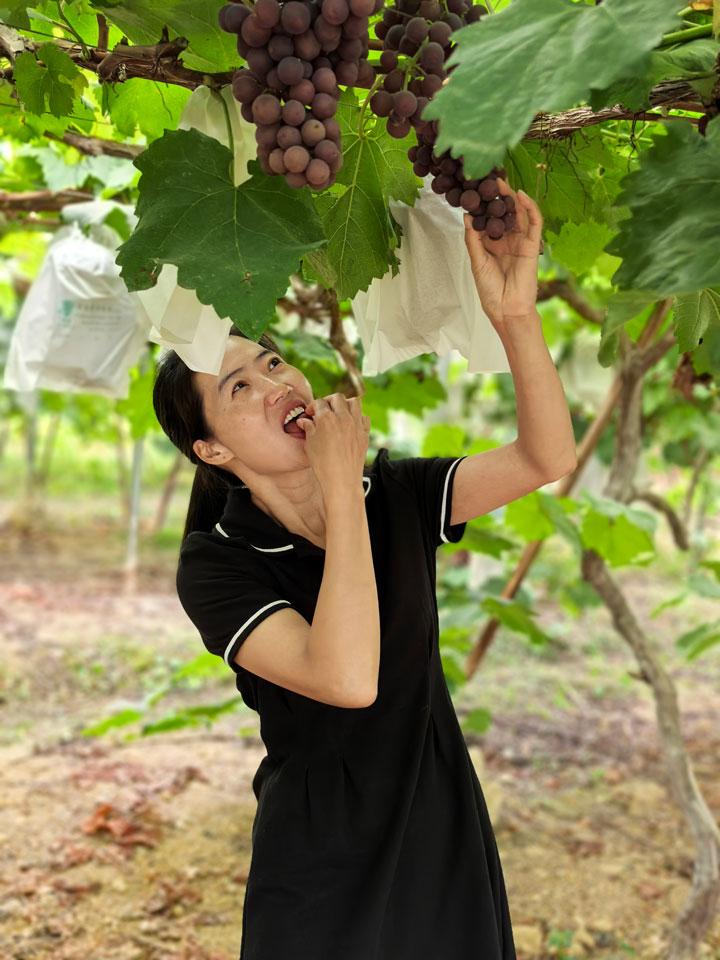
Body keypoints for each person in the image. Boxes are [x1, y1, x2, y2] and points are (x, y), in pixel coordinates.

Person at [152, 180, 569, 959]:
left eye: (272, 362)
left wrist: (514, 316)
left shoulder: (398, 492)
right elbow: (346, 680)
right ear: (212, 451)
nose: (279, 384)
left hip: (436, 816)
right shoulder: (217, 564)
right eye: (240, 387)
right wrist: (342, 491)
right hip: (321, 856)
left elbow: (546, 457)